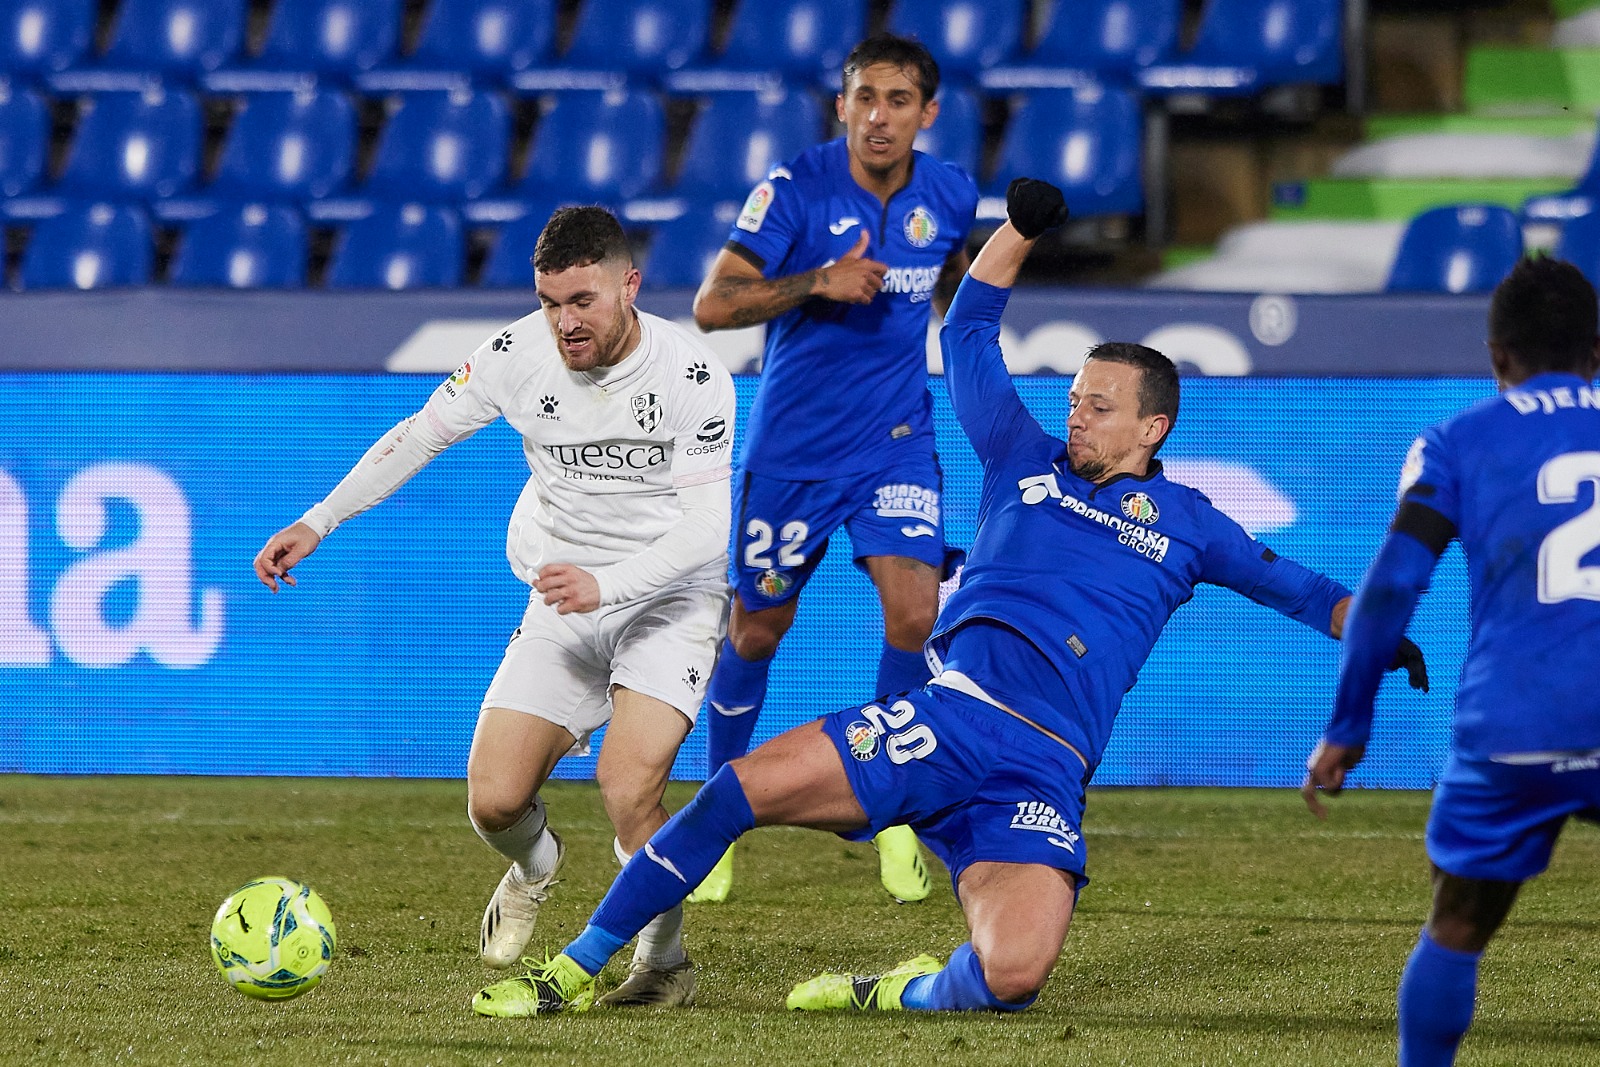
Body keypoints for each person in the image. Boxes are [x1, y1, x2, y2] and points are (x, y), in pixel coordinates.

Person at [468, 179, 1429, 1018]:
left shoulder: (1192, 521)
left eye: (1099, 403)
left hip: (1044, 771)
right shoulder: (1023, 458)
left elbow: (1302, 590)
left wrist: (1379, 631)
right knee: (735, 791)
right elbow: (967, 327)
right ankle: (575, 968)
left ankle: (890, 989)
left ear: (1153, 424)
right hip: (949, 720)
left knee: (1014, 973)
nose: (1076, 412)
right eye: (1075, 396)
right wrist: (1017, 230)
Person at [253, 206, 737, 1009]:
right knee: (494, 799)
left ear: (629, 284)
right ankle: (536, 865)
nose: (564, 321)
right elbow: (419, 434)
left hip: (667, 598)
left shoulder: (690, 375)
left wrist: (608, 586)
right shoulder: (516, 355)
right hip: (564, 595)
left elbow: (708, 530)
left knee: (628, 787)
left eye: (582, 300)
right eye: (550, 301)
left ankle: (663, 964)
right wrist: (318, 519)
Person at [688, 30, 979, 905]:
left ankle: (891, 816)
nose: (878, 117)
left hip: (895, 442)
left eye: (897, 101)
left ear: (928, 113)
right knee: (755, 633)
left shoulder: (952, 195)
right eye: (864, 99)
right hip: (793, 455)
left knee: (915, 612)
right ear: (841, 105)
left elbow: (964, 292)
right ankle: (715, 813)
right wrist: (817, 280)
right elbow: (713, 304)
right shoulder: (795, 189)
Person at [1303, 255, 1600, 1066]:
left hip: (1517, 724)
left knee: (1460, 920)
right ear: (1596, 352)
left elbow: (1392, 588)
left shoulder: (1458, 441)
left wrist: (1347, 728)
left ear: (1497, 356)